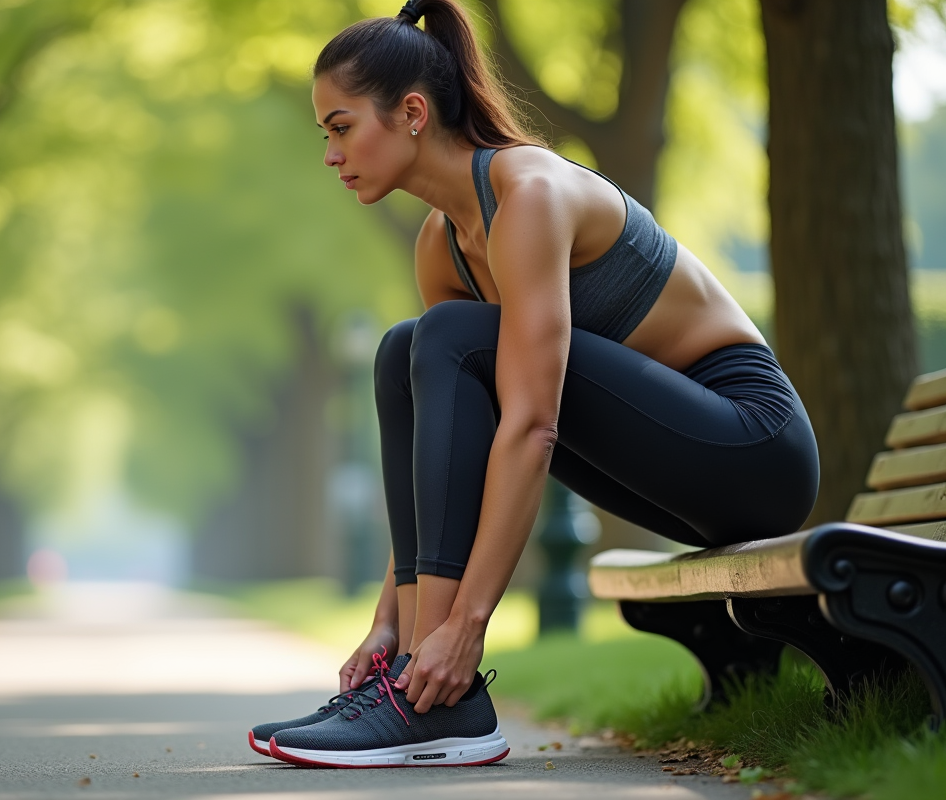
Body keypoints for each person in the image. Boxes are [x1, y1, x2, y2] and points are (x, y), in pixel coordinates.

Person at [249, 0, 819, 768]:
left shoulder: (530, 196)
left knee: (442, 340)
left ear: (412, 112)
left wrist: (469, 625)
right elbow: (447, 456)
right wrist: (392, 621)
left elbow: (532, 425)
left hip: (750, 448)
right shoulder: (441, 245)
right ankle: (410, 681)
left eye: (342, 126)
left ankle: (435, 696)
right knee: (403, 353)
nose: (330, 153)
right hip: (663, 461)